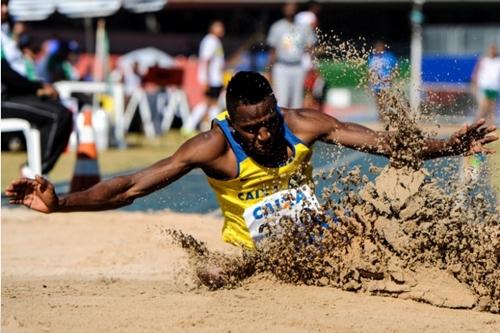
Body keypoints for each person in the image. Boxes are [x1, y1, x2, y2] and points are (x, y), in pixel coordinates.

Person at [6, 71, 498, 250]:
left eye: (269, 120)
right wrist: (63, 202)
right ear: (231, 121)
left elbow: (387, 143)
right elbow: (133, 185)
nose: (264, 133)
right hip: (254, 256)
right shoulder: (212, 147)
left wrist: (450, 147)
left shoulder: (302, 123)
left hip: (317, 244)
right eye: (252, 127)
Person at [266, 2, 315, 108]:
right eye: (288, 6)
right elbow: (272, 51)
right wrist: (269, 70)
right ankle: (282, 124)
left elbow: (310, 48)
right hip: (282, 66)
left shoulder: (304, 27)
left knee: (297, 102)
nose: (291, 9)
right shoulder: (277, 27)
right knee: (282, 100)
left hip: (298, 66)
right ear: (283, 8)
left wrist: (312, 67)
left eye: (293, 6)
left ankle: (293, 125)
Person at [182, 20, 225, 135]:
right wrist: (206, 79)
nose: (221, 29)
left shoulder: (216, 41)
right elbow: (206, 61)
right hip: (211, 78)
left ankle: (213, 127)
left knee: (212, 103)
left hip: (215, 78)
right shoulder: (210, 41)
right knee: (208, 102)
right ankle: (190, 126)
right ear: (211, 28)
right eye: (218, 27)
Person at [367, 40, 398, 122]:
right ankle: (381, 117)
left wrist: (391, 78)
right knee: (378, 101)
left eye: (380, 47)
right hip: (376, 84)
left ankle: (388, 116)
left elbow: (395, 69)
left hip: (386, 84)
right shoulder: (372, 58)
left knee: (386, 100)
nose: (378, 49)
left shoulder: (389, 57)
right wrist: (369, 82)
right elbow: (369, 71)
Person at [471, 43, 500, 127]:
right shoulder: (484, 60)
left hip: (494, 87)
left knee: (491, 108)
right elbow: (476, 73)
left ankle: (490, 125)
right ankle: (475, 124)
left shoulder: (498, 61)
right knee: (483, 106)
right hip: (484, 86)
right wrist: (474, 84)